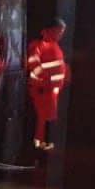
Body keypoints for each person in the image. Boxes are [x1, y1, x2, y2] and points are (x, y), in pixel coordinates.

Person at [26, 18, 69, 153]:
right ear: (49, 31)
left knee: (48, 118)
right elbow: (33, 63)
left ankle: (45, 145)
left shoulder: (55, 46)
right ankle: (37, 147)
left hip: (51, 92)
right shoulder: (38, 45)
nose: (60, 35)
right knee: (41, 119)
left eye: (62, 32)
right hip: (41, 90)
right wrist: (46, 79)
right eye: (59, 31)